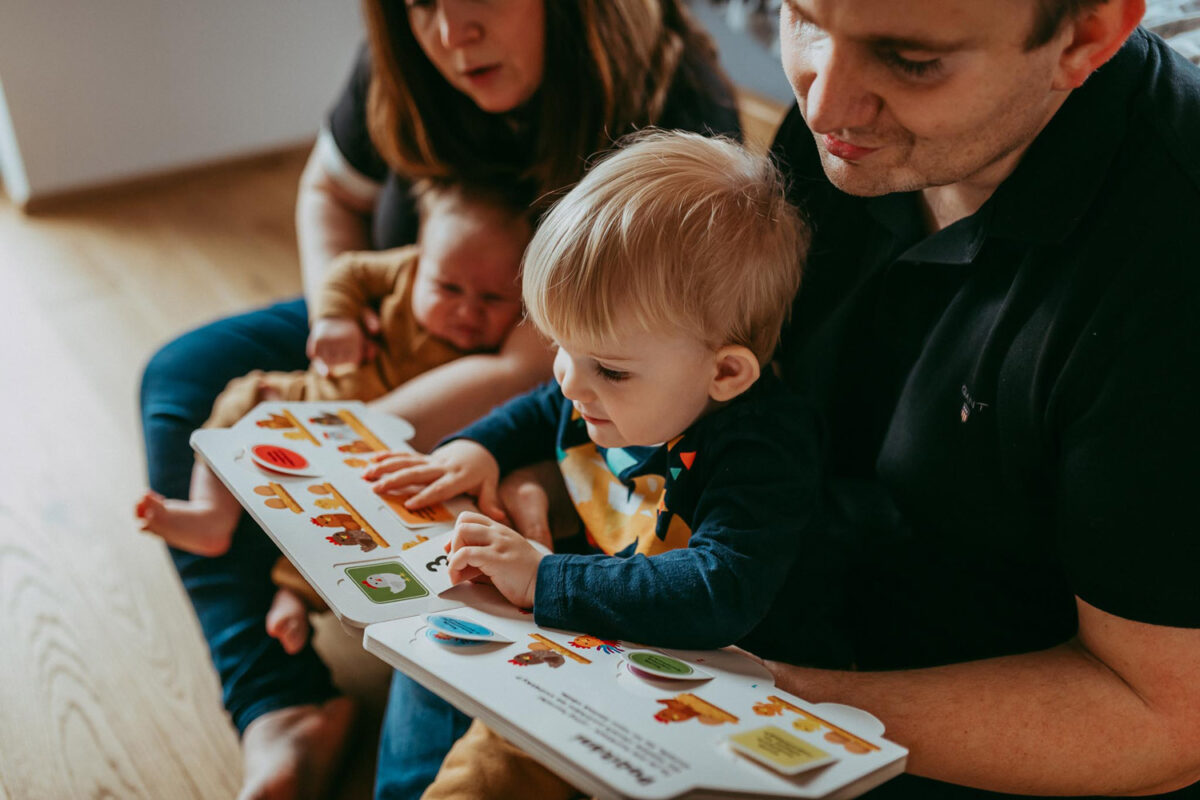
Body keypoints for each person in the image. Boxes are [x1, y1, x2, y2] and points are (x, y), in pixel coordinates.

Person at [137, 1, 740, 797]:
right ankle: (278, 699)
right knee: (182, 381)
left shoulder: (663, 113)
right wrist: (335, 322)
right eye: (421, 3)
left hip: (528, 370)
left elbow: (532, 372)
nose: (452, 33)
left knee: (455, 547)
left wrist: (327, 431)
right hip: (398, 315)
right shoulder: (409, 61)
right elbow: (328, 189)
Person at [751, 0, 1199, 797]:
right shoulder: (854, 128)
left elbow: (1165, 720)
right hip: (809, 627)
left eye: (911, 61)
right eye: (804, 18)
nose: (821, 102)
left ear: (1086, 35)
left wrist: (750, 702)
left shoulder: (1171, 270)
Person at [365, 130, 842, 799]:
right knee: (432, 641)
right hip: (592, 624)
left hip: (694, 683)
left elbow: (718, 591)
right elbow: (538, 409)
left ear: (725, 373)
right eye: (559, 344)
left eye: (608, 369)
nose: (569, 383)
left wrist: (544, 578)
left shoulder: (764, 448)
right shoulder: (603, 388)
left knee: (490, 772)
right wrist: (478, 447)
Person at [136, 181, 530, 652]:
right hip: (318, 394)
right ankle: (211, 513)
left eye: (491, 300)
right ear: (420, 258)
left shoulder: (505, 340)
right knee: (246, 396)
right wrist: (336, 318)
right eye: (448, 288)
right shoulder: (402, 268)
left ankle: (296, 595)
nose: (467, 310)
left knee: (361, 525)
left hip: (406, 443)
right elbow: (346, 272)